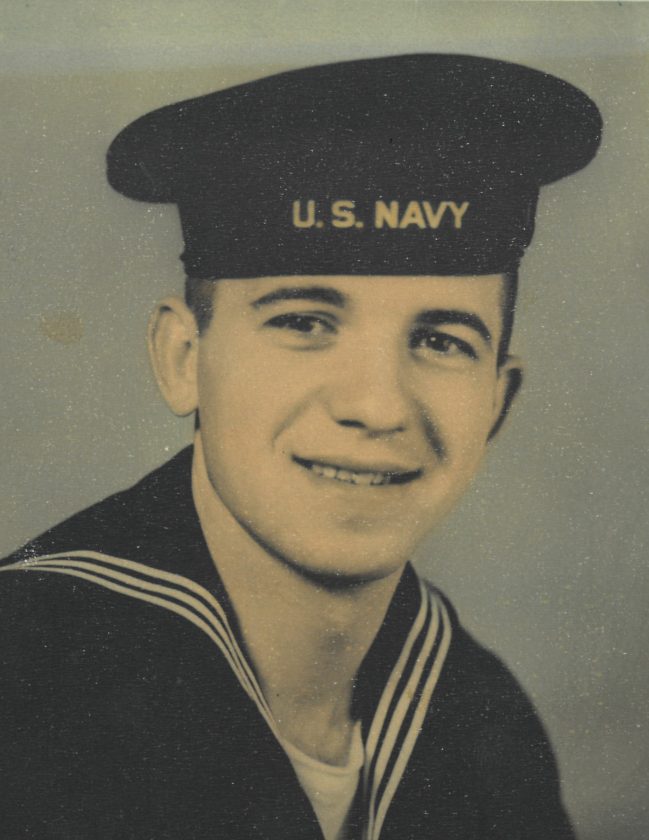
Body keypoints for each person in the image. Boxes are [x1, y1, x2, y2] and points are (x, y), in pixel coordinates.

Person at [0, 54, 601, 839]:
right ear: (183, 359)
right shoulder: (27, 672)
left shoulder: (481, 721)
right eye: (304, 323)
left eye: (440, 340)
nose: (376, 406)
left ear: (497, 400)